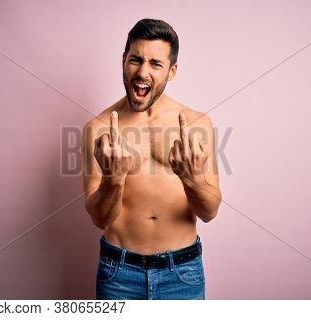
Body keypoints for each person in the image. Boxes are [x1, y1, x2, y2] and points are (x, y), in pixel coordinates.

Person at [81, 18, 222, 300]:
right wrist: (113, 179)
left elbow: (209, 212)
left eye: (155, 64)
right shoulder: (97, 129)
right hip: (118, 273)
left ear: (172, 71)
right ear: (124, 61)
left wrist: (192, 179)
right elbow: (99, 218)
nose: (142, 72)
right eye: (135, 59)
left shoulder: (197, 124)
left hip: (182, 272)